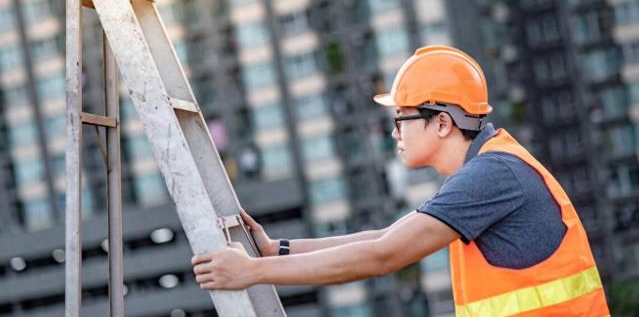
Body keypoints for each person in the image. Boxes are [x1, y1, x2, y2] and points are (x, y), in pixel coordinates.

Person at [192, 46, 609, 316]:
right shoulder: (491, 167)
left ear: (442, 122)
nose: (394, 133)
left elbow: (382, 256)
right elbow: (387, 237)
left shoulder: (493, 175)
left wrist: (252, 272)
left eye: (401, 119)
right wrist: (277, 251)